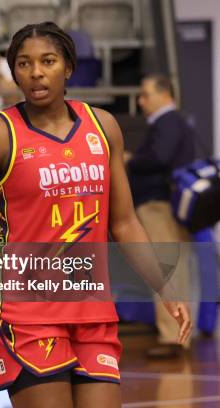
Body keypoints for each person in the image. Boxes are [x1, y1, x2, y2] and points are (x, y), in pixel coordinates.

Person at [0, 22, 192, 408]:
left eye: (47, 61)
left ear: (68, 67)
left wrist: (165, 287)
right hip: (24, 311)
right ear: (13, 72)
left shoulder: (103, 128)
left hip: (91, 307)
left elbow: (123, 223)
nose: (36, 72)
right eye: (23, 63)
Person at [129, 73, 196, 358]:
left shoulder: (168, 122)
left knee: (166, 270)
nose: (141, 101)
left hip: (160, 206)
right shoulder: (170, 123)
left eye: (145, 95)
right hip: (161, 205)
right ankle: (177, 335)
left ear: (163, 94)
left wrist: (131, 160)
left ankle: (174, 338)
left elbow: (159, 157)